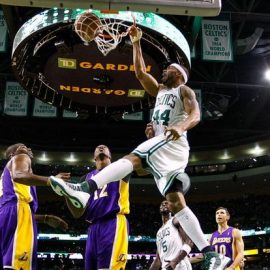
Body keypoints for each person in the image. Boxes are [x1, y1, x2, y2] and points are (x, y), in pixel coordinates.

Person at [49, 26, 230, 270]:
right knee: (176, 202)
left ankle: (84, 188)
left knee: (133, 158)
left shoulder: (182, 90)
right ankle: (211, 254)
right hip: (163, 148)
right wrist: (136, 43)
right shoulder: (160, 92)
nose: (163, 71)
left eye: (168, 70)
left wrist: (182, 127)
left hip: (174, 143)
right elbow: (139, 73)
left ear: (178, 74)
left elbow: (195, 114)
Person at [0, 143, 69, 270]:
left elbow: (10, 210)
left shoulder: (5, 178)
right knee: (18, 264)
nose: (27, 149)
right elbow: (19, 175)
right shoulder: (20, 157)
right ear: (12, 154)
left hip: (7, 216)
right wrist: (52, 180)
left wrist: (44, 218)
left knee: (7, 263)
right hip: (18, 212)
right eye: (22, 147)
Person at [64, 145, 130, 270]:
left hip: (113, 222)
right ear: (94, 157)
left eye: (104, 147)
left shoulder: (121, 168)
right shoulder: (85, 179)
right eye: (98, 147)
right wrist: (66, 192)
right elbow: (77, 213)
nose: (101, 147)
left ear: (110, 155)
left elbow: (141, 164)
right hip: (93, 226)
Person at [150, 200, 193, 270]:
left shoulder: (175, 220)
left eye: (166, 203)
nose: (163, 204)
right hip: (167, 267)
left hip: (180, 265)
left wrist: (175, 262)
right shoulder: (158, 232)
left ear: (172, 208)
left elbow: (189, 242)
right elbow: (158, 260)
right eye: (162, 204)